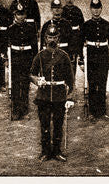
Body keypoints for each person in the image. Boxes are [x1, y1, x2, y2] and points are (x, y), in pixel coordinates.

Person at [30, 23, 75, 162]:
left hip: (59, 95)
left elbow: (71, 79)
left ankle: (57, 151)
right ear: (45, 39)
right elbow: (31, 74)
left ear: (58, 38)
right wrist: (37, 80)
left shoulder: (64, 56)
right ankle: (45, 152)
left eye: (54, 37)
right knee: (44, 125)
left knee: (57, 124)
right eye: (49, 37)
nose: (52, 40)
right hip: (43, 95)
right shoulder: (40, 56)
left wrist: (69, 98)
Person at [80, 0, 109, 121]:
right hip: (91, 57)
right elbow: (80, 44)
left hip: (103, 57)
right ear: (90, 9)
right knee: (92, 84)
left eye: (98, 8)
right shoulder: (86, 25)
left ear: (101, 9)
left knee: (102, 84)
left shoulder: (106, 24)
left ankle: (102, 111)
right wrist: (81, 61)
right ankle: (91, 112)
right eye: (93, 8)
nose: (96, 11)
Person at [7, 3, 38, 121]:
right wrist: (6, 59)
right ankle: (15, 110)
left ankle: (24, 110)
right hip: (15, 59)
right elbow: (7, 46)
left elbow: (34, 47)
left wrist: (34, 61)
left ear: (25, 15)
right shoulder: (10, 29)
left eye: (22, 14)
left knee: (25, 85)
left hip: (26, 59)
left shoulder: (30, 29)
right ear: (15, 15)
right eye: (18, 14)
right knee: (15, 85)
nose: (20, 17)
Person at [61, 0, 85, 71]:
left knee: (73, 61)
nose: (69, 1)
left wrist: (82, 38)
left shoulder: (77, 11)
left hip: (75, 39)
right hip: (65, 40)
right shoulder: (61, 11)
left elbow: (82, 26)